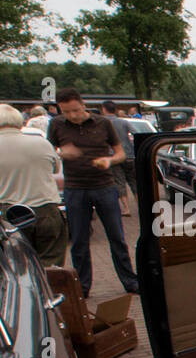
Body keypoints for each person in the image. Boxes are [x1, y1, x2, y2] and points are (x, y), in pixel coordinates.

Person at [46, 88, 138, 296]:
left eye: (76, 110)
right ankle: (82, 287)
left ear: (83, 104)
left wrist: (109, 160)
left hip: (104, 186)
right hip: (75, 188)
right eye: (66, 112)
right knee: (79, 240)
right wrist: (61, 153)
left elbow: (120, 153)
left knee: (117, 236)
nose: (72, 116)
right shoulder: (56, 124)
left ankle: (130, 281)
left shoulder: (103, 123)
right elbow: (49, 153)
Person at [0, 103, 68, 266]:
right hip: (46, 209)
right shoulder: (42, 143)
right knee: (52, 263)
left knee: (15, 266)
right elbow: (55, 168)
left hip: (8, 212)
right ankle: (51, 289)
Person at [100, 100, 137, 215]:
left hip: (113, 156)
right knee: (133, 181)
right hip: (129, 154)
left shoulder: (102, 123)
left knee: (119, 182)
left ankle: (126, 208)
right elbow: (135, 133)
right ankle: (141, 205)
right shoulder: (123, 122)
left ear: (104, 109)